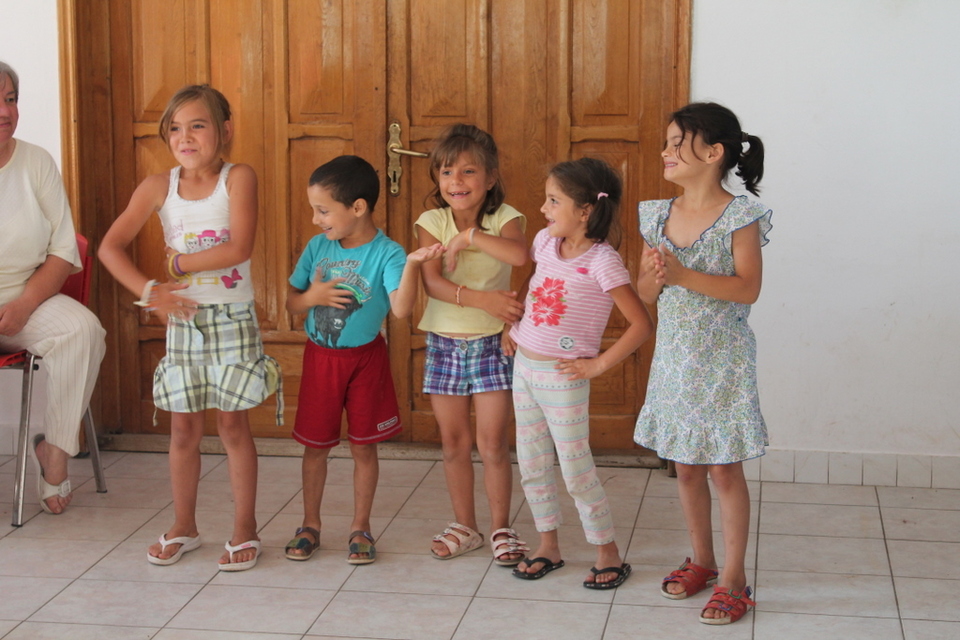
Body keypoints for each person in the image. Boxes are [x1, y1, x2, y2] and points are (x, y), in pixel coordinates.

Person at [99, 84, 280, 571]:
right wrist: (151, 293)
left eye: (197, 125)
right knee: (182, 429)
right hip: (184, 323)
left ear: (225, 130)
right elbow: (109, 247)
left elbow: (238, 248)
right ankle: (184, 525)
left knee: (233, 426)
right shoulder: (158, 186)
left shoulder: (238, 178)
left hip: (232, 317)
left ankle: (245, 528)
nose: (185, 137)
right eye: (175, 128)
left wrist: (177, 264)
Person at [634, 102, 771, 625]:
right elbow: (645, 291)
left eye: (677, 143)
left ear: (713, 153)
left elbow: (748, 288)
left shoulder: (740, 216)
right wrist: (656, 275)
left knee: (723, 467)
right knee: (686, 466)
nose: (665, 152)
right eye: (667, 143)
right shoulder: (656, 215)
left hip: (723, 362)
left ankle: (734, 577)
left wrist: (683, 274)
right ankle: (703, 560)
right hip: (674, 361)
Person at [284, 155, 443, 564]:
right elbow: (292, 302)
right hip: (321, 360)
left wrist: (412, 265)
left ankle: (361, 527)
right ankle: (310, 525)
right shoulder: (318, 247)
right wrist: (312, 296)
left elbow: (402, 310)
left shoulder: (389, 253)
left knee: (363, 448)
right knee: (315, 447)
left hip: (366, 362)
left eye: (323, 210)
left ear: (357, 207)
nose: (316, 219)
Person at [504, 157, 653, 589]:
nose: (544, 209)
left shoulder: (603, 262)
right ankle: (548, 546)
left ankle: (608, 552)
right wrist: (512, 326)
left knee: (575, 469)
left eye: (554, 201)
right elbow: (534, 282)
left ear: (585, 210)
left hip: (563, 379)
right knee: (532, 464)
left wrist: (598, 364)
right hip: (524, 370)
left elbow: (641, 324)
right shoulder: (544, 242)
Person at [415, 123, 530, 565]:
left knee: (493, 443)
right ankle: (466, 526)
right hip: (444, 344)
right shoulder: (432, 222)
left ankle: (501, 527)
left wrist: (469, 237)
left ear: (490, 177)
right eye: (446, 172)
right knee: (453, 443)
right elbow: (432, 282)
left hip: (491, 346)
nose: (456, 182)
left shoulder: (506, 219)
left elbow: (519, 255)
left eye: (468, 171)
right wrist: (483, 300)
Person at [0, 61, 106, 516]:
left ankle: (55, 456)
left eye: (10, 99)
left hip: (27, 297)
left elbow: (64, 250)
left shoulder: (36, 161)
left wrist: (26, 304)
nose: (5, 111)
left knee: (83, 330)